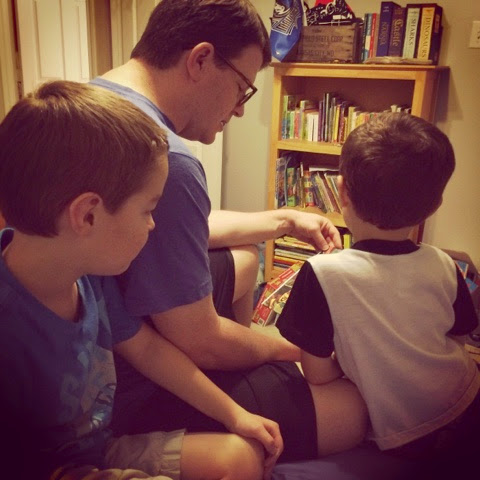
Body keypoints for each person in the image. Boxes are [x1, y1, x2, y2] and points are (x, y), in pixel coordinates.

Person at [90, 0, 367, 463]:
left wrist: (284, 219)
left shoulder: (93, 99)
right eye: (243, 89)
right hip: (128, 386)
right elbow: (201, 343)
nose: (239, 110)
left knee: (244, 256)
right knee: (350, 411)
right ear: (200, 60)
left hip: (127, 327)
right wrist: (293, 349)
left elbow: (179, 228)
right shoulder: (168, 158)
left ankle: (242, 359)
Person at [0, 80, 286, 480]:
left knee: (241, 457)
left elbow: (148, 350)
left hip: (103, 447)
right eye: (148, 210)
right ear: (87, 216)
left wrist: (234, 414)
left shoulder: (88, 277)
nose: (152, 226)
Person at [277, 112, 480, 466]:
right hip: (467, 400)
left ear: (342, 191)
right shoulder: (446, 264)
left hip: (405, 433)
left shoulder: (322, 274)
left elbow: (318, 375)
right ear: (435, 206)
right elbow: (460, 338)